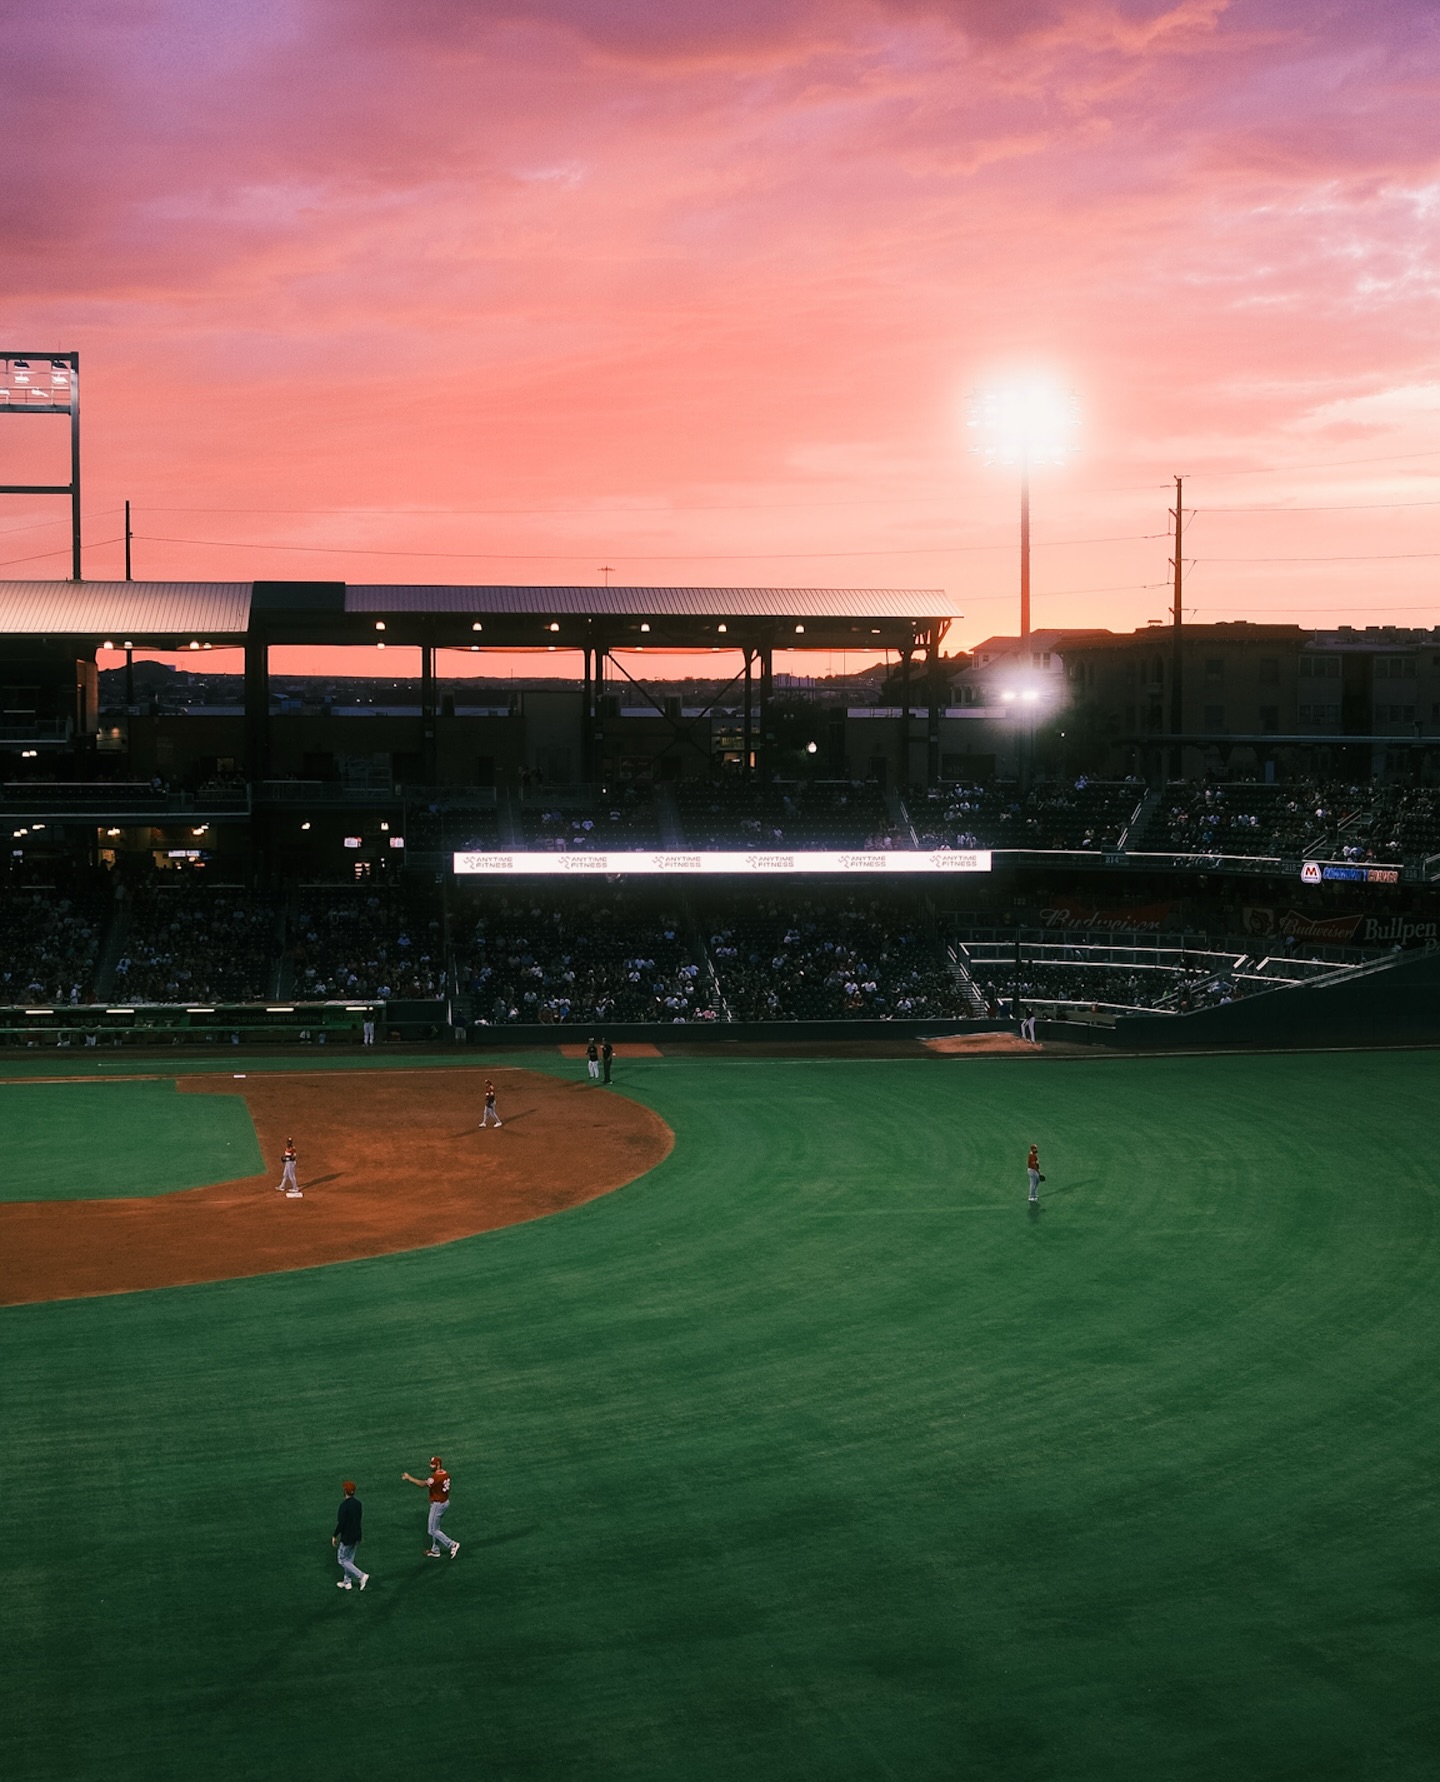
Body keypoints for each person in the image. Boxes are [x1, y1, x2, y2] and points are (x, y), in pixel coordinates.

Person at [403, 1455, 460, 1559]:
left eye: (433, 1464)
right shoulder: (445, 1473)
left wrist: (409, 1478)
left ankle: (452, 1544)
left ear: (438, 1465)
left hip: (438, 1505)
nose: (430, 1466)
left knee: (432, 1530)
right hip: (445, 1502)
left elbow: (422, 1484)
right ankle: (435, 1550)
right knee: (436, 1528)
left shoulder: (436, 1477)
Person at [332, 1480, 369, 1591]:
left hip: (347, 1537)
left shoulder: (344, 1506)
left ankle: (361, 1576)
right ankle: (347, 1582)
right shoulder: (358, 1503)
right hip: (356, 1534)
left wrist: (334, 1535)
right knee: (349, 1559)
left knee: (342, 1560)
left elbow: (341, 1523)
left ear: (345, 1491)